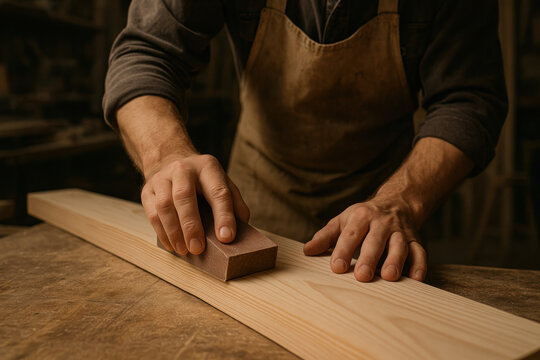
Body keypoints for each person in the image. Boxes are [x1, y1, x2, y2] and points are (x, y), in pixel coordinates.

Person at [103, 0, 507, 283]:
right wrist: (166, 154)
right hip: (254, 206)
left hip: (381, 221)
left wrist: (402, 200)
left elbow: (468, 98)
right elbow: (147, 52)